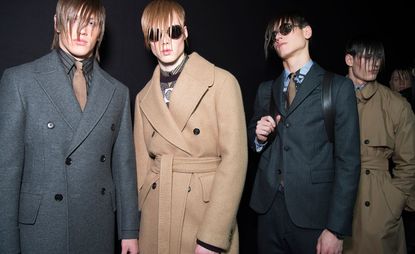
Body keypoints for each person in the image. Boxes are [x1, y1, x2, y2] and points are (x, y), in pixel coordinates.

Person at [0, 0, 139, 253]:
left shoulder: (117, 92)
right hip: (42, 230)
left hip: (97, 227)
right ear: (57, 23)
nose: (82, 30)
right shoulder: (20, 81)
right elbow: (6, 174)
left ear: (100, 32)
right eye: (73, 19)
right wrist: (6, 244)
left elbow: (124, 166)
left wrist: (129, 231)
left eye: (91, 23)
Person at [133, 0, 248, 253]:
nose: (165, 41)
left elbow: (235, 162)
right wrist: (137, 222)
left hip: (203, 214)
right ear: (148, 41)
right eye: (155, 34)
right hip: (156, 217)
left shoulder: (221, 82)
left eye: (173, 31)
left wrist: (212, 237)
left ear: (185, 32)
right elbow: (142, 167)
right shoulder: (143, 98)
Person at [248, 11, 361, 254]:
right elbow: (252, 139)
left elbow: (348, 162)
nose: (278, 36)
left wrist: (335, 229)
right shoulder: (266, 90)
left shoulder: (338, 87)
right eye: (273, 34)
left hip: (315, 215)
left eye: (286, 29)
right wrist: (257, 137)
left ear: (307, 32)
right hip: (268, 210)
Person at [342, 35, 415, 254]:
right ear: (349, 60)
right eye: (368, 57)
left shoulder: (396, 105)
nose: (375, 63)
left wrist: (393, 203)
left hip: (378, 206)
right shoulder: (329, 96)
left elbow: (409, 162)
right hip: (335, 202)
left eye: (378, 58)